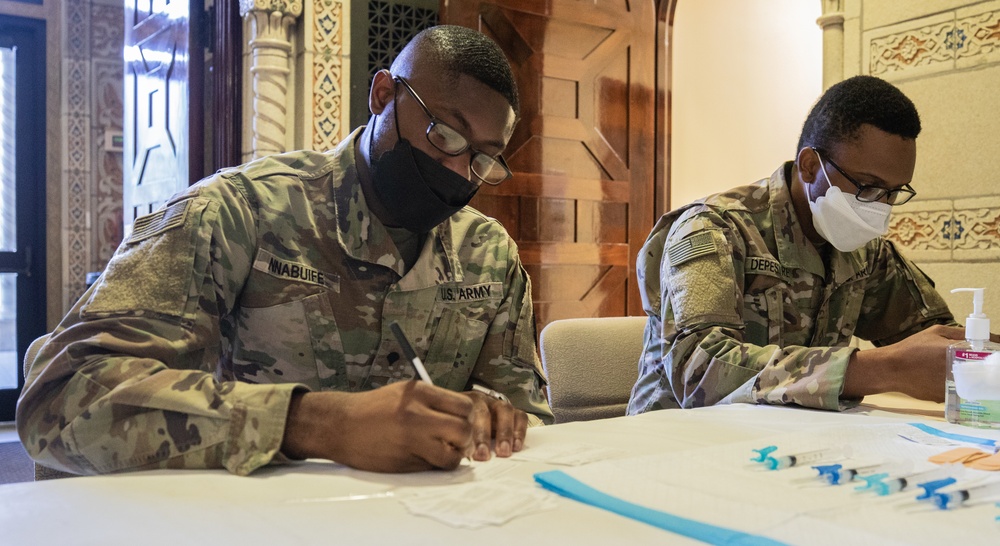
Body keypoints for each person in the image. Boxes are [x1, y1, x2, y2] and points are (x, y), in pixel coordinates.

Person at [17, 25, 552, 476]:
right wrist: (314, 423)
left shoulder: (489, 255)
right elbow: (61, 398)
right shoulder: (238, 213)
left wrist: (492, 419)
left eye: (484, 158)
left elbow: (528, 422)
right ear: (384, 96)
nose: (459, 172)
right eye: (445, 136)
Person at [628, 75, 965, 414]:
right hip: (674, 445)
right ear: (810, 167)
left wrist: (972, 361)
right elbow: (699, 372)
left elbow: (940, 344)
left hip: (786, 445)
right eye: (867, 186)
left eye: (894, 192)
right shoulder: (715, 228)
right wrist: (886, 368)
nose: (881, 206)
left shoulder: (866, 253)